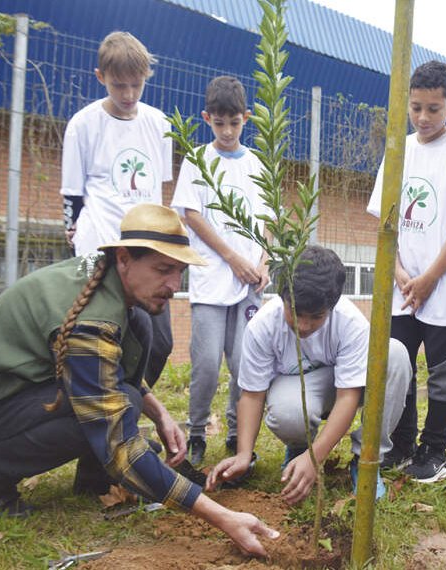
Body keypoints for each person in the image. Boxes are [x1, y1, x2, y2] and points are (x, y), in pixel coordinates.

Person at [0, 204, 278, 556]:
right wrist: (223, 517)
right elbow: (118, 441)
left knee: (135, 369)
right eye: (163, 269)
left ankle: (94, 477)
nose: (172, 285)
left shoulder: (105, 276)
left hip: (20, 387)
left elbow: (106, 370)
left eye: (179, 272)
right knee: (114, 415)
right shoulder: (91, 321)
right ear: (124, 258)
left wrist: (161, 415)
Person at [210, 246, 412, 503]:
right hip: (300, 388)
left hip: (348, 386)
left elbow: (347, 397)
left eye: (316, 317)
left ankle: (365, 461)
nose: (303, 326)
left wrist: (316, 458)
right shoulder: (263, 326)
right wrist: (243, 454)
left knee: (394, 354)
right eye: (295, 313)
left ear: (332, 306)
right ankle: (299, 448)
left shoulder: (350, 323)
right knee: (287, 412)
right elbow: (252, 395)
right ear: (283, 297)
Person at [366, 60, 446, 484]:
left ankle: (435, 449)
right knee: (400, 367)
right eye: (415, 107)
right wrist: (399, 272)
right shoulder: (398, 151)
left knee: (443, 373)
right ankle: (402, 445)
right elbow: (385, 221)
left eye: (433, 109)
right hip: (403, 287)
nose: (422, 117)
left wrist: (431, 277)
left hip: (445, 288)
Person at [60, 31, 174, 386]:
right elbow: (72, 192)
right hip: (101, 247)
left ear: (146, 78)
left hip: (147, 250)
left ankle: (128, 401)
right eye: (118, 85)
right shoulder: (83, 124)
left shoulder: (159, 124)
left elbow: (158, 189)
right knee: (106, 336)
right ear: (101, 77)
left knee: (158, 343)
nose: (128, 95)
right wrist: (71, 229)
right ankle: (106, 407)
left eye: (136, 85)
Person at [170, 76, 269, 466]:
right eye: (219, 123)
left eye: (235, 123)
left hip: (250, 286)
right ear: (206, 118)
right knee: (208, 364)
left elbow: (269, 220)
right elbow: (192, 215)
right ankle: (196, 433)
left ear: (247, 118)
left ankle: (236, 432)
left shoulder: (257, 164)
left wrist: (263, 262)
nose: (227, 131)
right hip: (212, 282)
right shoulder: (197, 160)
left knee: (245, 363)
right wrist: (232, 258)